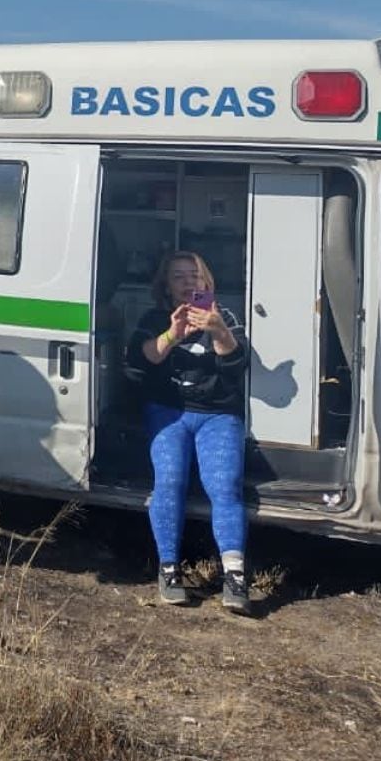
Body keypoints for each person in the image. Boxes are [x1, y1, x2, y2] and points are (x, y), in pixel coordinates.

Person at [127, 251, 253, 615]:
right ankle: (169, 569)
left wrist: (217, 330)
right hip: (169, 412)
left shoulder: (225, 317)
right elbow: (142, 358)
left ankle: (235, 575)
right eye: (178, 277)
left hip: (217, 415)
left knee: (225, 485)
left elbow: (236, 362)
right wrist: (173, 333)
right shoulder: (155, 318)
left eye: (194, 276)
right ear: (166, 285)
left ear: (207, 282)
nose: (187, 283)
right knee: (169, 482)